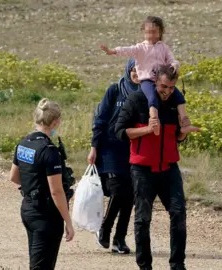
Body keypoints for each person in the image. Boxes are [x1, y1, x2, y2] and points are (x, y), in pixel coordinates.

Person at [115, 65, 196, 270]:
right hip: (142, 170)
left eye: (171, 87)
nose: (167, 91)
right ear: (154, 82)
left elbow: (178, 137)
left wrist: (184, 132)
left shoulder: (175, 103)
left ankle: (177, 265)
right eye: (163, 86)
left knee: (179, 213)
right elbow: (119, 131)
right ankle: (145, 266)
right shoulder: (137, 100)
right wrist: (147, 131)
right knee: (143, 218)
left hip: (169, 168)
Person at [100, 15, 199, 137]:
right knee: (152, 98)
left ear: (160, 32)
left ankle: (185, 123)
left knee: (179, 97)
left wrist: (174, 65)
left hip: (161, 80)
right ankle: (154, 123)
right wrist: (112, 51)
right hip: (147, 80)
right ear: (143, 32)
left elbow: (172, 59)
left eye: (154, 32)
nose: (151, 35)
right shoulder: (140, 48)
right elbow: (126, 50)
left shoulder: (163, 47)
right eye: (148, 32)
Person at [9, 98, 75, 269]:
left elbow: (14, 177)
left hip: (28, 209)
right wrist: (68, 221)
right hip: (46, 216)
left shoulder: (23, 143)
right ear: (55, 122)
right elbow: (57, 192)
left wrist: (33, 186)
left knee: (36, 262)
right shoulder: (49, 150)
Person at [87, 58, 140, 254]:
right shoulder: (115, 89)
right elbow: (100, 118)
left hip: (132, 149)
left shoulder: (147, 92)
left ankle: (119, 239)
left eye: (140, 70)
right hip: (110, 148)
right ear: (128, 70)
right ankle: (105, 228)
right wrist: (94, 146)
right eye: (133, 69)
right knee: (118, 191)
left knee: (130, 196)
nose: (136, 73)